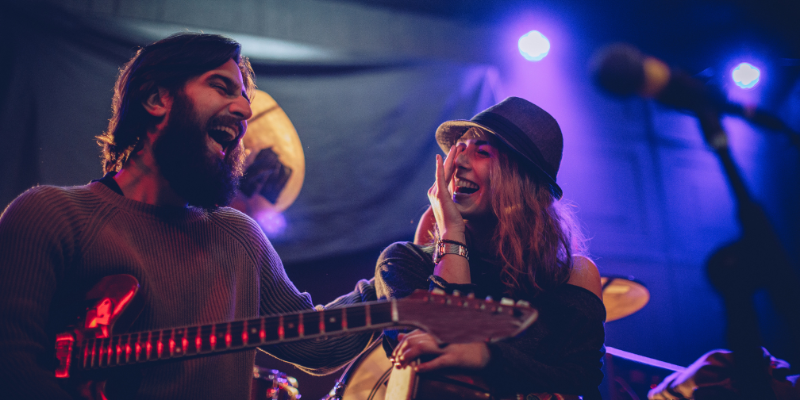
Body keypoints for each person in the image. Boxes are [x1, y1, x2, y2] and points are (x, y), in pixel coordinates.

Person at [0, 33, 375, 399]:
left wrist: (417, 259)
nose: (246, 111)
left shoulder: (240, 237)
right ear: (155, 99)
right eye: (222, 87)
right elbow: (11, 367)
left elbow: (320, 346)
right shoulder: (50, 216)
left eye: (244, 97)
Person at [374, 97, 606, 399]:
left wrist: (485, 356)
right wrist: (452, 232)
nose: (457, 162)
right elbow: (442, 362)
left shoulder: (570, 275)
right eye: (458, 150)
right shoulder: (405, 263)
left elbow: (582, 384)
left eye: (482, 152)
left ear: (523, 179)